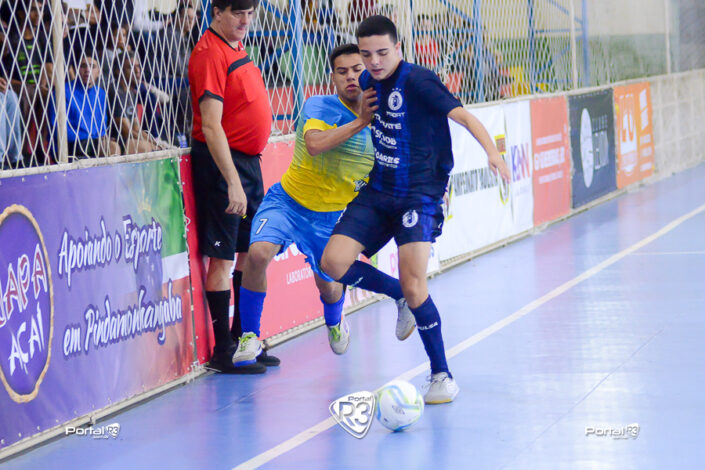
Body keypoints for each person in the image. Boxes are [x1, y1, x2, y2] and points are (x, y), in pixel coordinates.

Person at [320, 16, 510, 404]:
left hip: (419, 194)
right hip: (378, 191)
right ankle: (398, 296)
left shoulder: (420, 81)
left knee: (415, 283)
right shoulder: (368, 82)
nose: (374, 62)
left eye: (382, 53)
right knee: (333, 263)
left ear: (398, 48)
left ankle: (441, 375)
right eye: (367, 54)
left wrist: (492, 152)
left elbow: (464, 116)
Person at [231, 44, 416, 369]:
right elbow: (315, 144)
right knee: (258, 253)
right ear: (333, 77)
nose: (350, 77)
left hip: (330, 218)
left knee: (330, 287)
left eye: (357, 70)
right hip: (287, 203)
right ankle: (249, 336)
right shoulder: (318, 105)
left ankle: (337, 320)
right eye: (342, 72)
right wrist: (361, 121)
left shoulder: (387, 124)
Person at [188, 0, 278, 374]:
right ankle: (223, 350)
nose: (245, 20)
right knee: (223, 258)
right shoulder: (210, 52)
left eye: (250, 13)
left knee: (248, 253)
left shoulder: (235, 46)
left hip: (246, 163)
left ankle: (244, 340)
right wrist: (232, 182)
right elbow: (211, 126)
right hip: (223, 166)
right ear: (217, 13)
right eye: (237, 13)